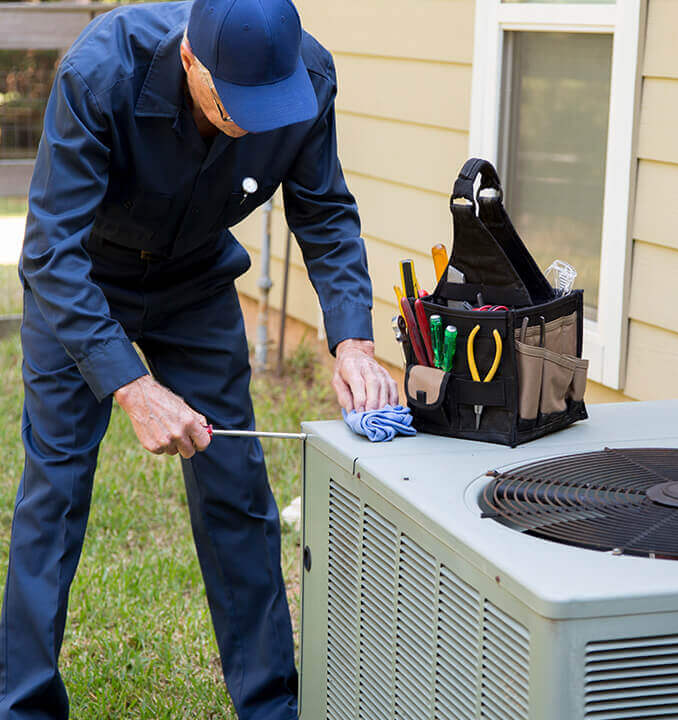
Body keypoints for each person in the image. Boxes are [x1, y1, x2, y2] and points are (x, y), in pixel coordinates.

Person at [0, 0, 398, 717]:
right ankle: (21, 706)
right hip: (86, 277)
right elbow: (49, 251)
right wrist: (130, 383)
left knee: (236, 489)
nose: (250, 121)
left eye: (266, 102)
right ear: (190, 58)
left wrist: (352, 340)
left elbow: (324, 210)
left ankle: (271, 704)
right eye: (234, 101)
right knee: (55, 491)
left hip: (195, 279)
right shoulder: (101, 72)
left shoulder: (306, 78)